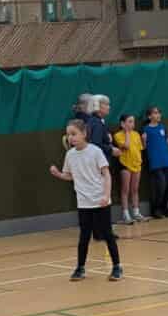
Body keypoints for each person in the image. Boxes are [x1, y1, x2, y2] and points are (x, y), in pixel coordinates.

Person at [49, 119, 122, 281]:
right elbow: (70, 176)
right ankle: (80, 268)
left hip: (100, 200)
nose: (71, 137)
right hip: (83, 203)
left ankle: (117, 266)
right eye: (68, 135)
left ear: (84, 134)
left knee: (107, 234)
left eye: (74, 134)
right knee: (84, 236)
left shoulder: (95, 151)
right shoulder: (70, 155)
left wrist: (106, 195)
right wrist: (58, 174)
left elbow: (106, 174)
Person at [111, 112, 144, 224]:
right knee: (125, 189)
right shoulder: (118, 135)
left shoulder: (137, 134)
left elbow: (140, 149)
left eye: (133, 122)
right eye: (129, 122)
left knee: (135, 189)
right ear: (122, 124)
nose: (132, 124)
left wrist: (139, 161)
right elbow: (126, 146)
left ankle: (136, 213)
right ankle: (126, 215)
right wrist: (127, 133)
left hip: (136, 164)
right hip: (125, 165)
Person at [142, 106, 168, 219]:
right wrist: (144, 140)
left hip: (166, 159)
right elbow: (144, 147)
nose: (158, 115)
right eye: (155, 113)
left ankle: (164, 206)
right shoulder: (146, 129)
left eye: (159, 112)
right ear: (149, 116)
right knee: (161, 184)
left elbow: (165, 142)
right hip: (155, 160)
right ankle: (156, 209)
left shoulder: (162, 127)